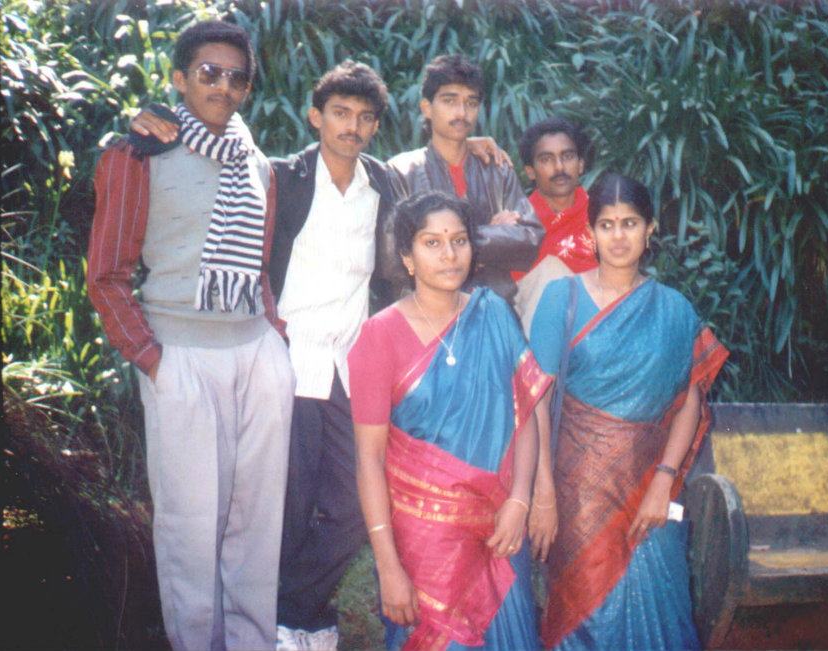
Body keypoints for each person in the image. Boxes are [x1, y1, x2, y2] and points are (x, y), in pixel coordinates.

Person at [129, 61, 513, 651]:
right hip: (284, 360)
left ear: (376, 126)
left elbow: (433, 217)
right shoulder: (282, 177)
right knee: (283, 505)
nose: (352, 126)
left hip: (350, 365)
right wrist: (151, 123)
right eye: (340, 113)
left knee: (354, 504)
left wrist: (471, 141)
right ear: (316, 117)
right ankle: (282, 624)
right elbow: (216, 173)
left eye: (365, 117)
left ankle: (294, 611)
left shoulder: (382, 184)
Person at [86, 20, 294, 650]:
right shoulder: (137, 155)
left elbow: (259, 267)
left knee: (257, 523)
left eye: (237, 77)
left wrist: (275, 339)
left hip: (256, 356)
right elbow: (107, 274)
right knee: (190, 527)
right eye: (209, 73)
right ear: (179, 78)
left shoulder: (258, 164)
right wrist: (152, 360)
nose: (223, 87)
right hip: (181, 358)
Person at [528, 173, 729, 650]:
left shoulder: (674, 310)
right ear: (590, 232)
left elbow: (689, 400)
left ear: (650, 228)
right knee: (585, 616)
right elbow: (536, 399)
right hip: (577, 498)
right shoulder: (562, 298)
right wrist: (543, 492)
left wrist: (663, 480)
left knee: (661, 602)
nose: (618, 237)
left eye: (630, 223)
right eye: (607, 224)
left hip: (649, 493)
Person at [347, 192, 550, 650]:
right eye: (432, 243)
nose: (449, 254)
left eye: (459, 240)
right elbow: (369, 459)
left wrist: (520, 499)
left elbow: (524, 417)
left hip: (499, 528)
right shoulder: (379, 336)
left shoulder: (494, 315)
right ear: (407, 257)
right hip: (425, 544)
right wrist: (388, 566)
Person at [388, 54, 544, 304]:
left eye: (471, 102)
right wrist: (493, 235)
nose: (461, 112)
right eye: (450, 101)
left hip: (495, 304)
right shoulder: (402, 171)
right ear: (427, 108)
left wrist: (441, 243)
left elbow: (530, 239)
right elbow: (394, 256)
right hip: (429, 310)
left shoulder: (496, 168)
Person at [513, 117, 596, 332]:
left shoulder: (601, 217)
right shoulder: (518, 224)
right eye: (546, 159)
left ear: (580, 164)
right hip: (533, 332)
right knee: (551, 273)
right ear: (530, 171)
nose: (559, 167)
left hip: (599, 327)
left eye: (567, 156)